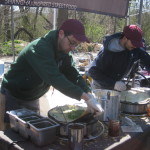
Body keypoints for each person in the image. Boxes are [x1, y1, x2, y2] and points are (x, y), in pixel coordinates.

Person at [0, 19, 103, 130]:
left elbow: (74, 75)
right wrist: (85, 98)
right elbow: (54, 78)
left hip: (33, 97)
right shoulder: (40, 48)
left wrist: (89, 93)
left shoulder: (64, 52)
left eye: (76, 45)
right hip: (11, 95)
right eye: (72, 43)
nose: (73, 48)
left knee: (30, 132)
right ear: (61, 33)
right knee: (10, 136)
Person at [88, 25, 150, 91]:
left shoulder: (135, 48)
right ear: (125, 38)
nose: (135, 46)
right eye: (133, 43)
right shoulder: (108, 51)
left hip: (118, 84)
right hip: (101, 87)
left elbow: (147, 61)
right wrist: (113, 84)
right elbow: (93, 72)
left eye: (137, 44)